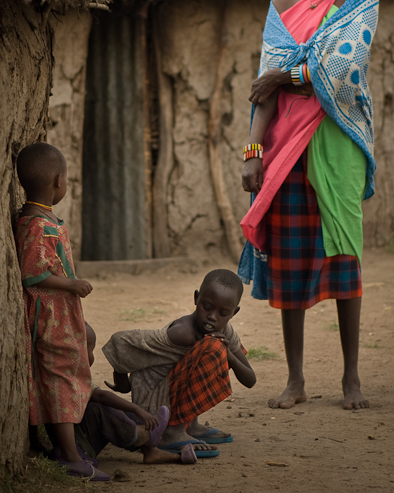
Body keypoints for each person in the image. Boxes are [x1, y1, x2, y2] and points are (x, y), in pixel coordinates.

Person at [239, 0, 379, 411]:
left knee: (343, 260)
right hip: (283, 153)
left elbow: (340, 71)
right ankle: (295, 380)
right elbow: (263, 91)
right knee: (290, 263)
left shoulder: (361, 3)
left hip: (336, 148)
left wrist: (284, 75)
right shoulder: (282, 5)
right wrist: (253, 154)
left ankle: (351, 379)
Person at [15, 142, 108, 481]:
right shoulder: (36, 224)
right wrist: (72, 285)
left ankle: (65, 445)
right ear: (58, 181)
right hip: (49, 315)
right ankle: (69, 454)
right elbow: (32, 273)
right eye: (67, 179)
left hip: (60, 313)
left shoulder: (44, 218)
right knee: (61, 378)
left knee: (68, 371)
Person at [102, 269, 256, 456]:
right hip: (154, 408)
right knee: (212, 348)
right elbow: (121, 342)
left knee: (214, 347)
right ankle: (171, 433)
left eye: (223, 313)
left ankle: (190, 426)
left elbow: (250, 379)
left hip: (173, 397)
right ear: (196, 298)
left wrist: (229, 355)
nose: (213, 317)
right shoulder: (181, 332)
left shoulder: (224, 331)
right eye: (207, 307)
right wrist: (122, 381)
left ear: (234, 313)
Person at [74, 323, 197, 466]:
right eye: (87, 349)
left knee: (118, 408)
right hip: (78, 445)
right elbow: (101, 396)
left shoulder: (78, 376)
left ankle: (151, 451)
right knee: (99, 408)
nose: (91, 355)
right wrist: (136, 409)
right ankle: (141, 435)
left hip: (84, 440)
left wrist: (136, 411)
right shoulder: (67, 379)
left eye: (92, 349)